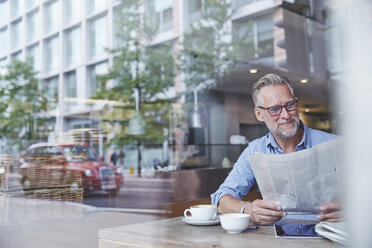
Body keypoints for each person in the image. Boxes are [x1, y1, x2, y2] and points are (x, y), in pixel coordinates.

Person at [211, 73, 341, 225]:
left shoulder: (334, 144)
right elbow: (220, 199)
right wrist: (248, 209)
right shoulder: (255, 150)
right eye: (274, 109)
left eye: (290, 105)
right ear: (259, 114)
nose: (286, 115)